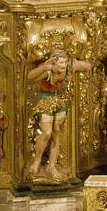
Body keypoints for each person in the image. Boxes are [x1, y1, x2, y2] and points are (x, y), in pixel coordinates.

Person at [27, 50, 92, 181]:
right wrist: (44, 67)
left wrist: (78, 64)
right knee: (46, 133)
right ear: (53, 63)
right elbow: (30, 76)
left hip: (62, 100)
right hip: (46, 100)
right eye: (60, 63)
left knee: (56, 131)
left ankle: (51, 166)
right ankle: (37, 160)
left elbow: (88, 66)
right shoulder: (47, 70)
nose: (63, 65)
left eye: (65, 62)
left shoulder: (70, 66)